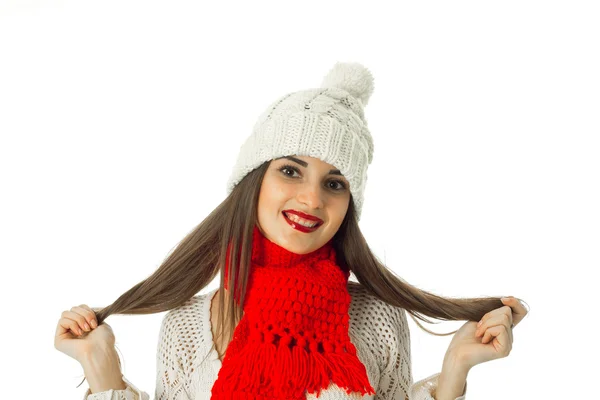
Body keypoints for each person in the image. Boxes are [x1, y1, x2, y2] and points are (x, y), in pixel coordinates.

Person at [54, 62, 529, 400]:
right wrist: (101, 371)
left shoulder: (377, 320)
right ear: (252, 182)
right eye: (290, 171)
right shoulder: (184, 329)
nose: (312, 199)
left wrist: (455, 373)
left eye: (335, 183)